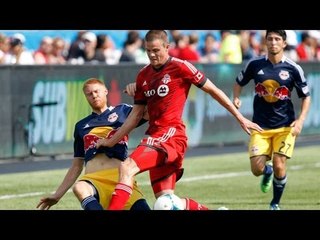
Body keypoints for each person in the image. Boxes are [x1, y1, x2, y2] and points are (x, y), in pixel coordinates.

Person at [96, 30, 263, 210]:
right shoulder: (143, 75)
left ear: (167, 47)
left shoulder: (181, 67)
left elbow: (214, 91)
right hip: (155, 137)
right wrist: (111, 141)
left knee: (127, 167)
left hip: (172, 136)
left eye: (156, 50)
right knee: (166, 204)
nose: (152, 55)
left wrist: (240, 118)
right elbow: (135, 116)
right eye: (148, 51)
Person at [36, 78, 150, 210]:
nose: (94, 95)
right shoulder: (81, 126)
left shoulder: (123, 111)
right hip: (94, 179)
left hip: (121, 178)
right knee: (79, 187)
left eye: (96, 91)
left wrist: (140, 93)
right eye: (89, 94)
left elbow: (151, 112)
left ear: (106, 91)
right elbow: (76, 166)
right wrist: (57, 196)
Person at [233, 30, 311, 210]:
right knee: (256, 170)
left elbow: (306, 96)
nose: (273, 42)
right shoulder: (254, 64)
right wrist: (236, 97)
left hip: (285, 127)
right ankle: (266, 172)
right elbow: (239, 82)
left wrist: (300, 121)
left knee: (279, 163)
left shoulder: (293, 68)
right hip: (260, 126)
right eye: (270, 39)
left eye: (277, 39)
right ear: (265, 42)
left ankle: (275, 203)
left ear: (284, 43)